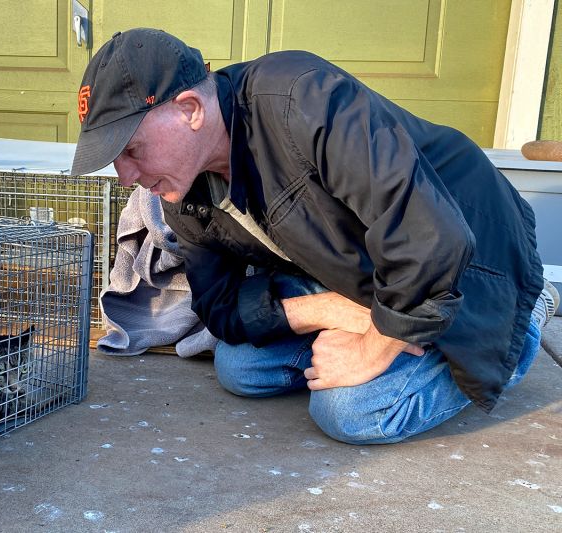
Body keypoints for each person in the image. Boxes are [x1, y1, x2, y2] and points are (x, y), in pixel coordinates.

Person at [71, 28, 559, 444]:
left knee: (348, 412)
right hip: (363, 276)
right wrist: (334, 310)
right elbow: (217, 308)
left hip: (475, 260)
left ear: (191, 110)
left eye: (132, 149)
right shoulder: (181, 194)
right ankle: (380, 323)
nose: (126, 177)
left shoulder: (302, 100)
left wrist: (374, 344)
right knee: (239, 368)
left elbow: (429, 238)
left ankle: (520, 326)